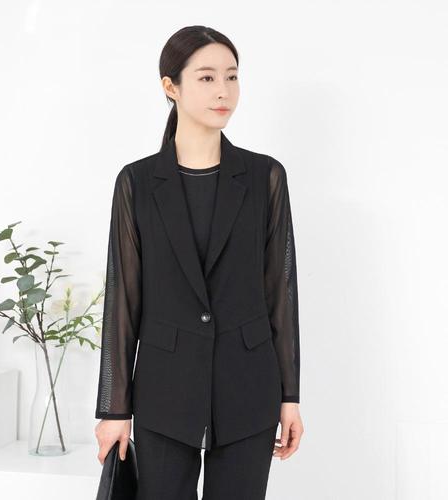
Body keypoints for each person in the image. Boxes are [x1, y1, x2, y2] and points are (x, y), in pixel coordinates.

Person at [94, 25, 304, 500]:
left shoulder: (265, 176)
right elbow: (123, 300)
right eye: (207, 78)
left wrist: (290, 396)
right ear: (170, 86)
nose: (223, 91)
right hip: (163, 391)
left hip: (249, 387)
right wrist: (114, 409)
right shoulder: (137, 182)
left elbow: (281, 291)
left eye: (232, 76)